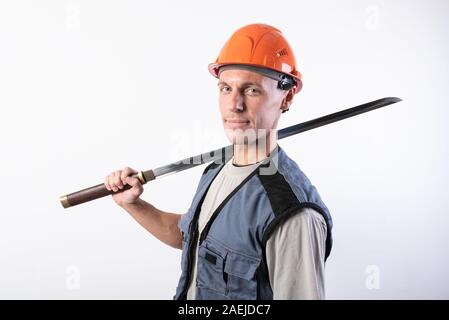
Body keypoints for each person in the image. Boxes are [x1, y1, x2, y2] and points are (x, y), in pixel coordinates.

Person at [104, 23, 333, 300]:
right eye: (226, 88)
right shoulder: (217, 166)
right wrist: (134, 204)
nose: (233, 105)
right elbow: (189, 235)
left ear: (287, 96)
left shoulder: (291, 213)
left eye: (251, 90)